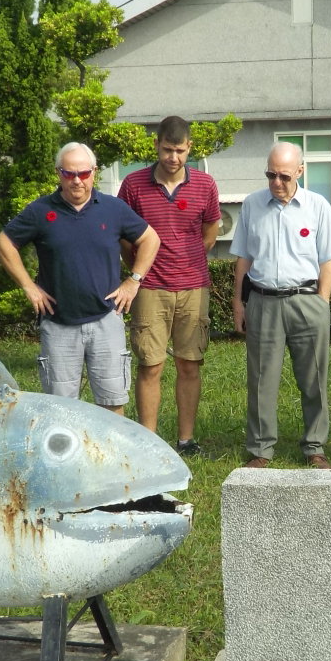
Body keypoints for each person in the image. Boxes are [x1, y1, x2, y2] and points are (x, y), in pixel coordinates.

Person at [0, 142, 159, 414]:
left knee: (112, 403)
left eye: (83, 173)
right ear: (58, 173)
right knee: (61, 409)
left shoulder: (113, 208)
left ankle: (108, 456)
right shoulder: (39, 211)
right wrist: (28, 286)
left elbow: (150, 239)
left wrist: (134, 280)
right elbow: (3, 244)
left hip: (106, 319)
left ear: (94, 172)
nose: (77, 181)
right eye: (69, 174)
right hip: (59, 324)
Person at [232, 142, 331, 468]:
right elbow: (243, 258)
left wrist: (322, 303)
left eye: (283, 175)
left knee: (314, 379)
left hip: (306, 302)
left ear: (300, 171)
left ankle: (314, 446)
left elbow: (328, 260)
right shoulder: (253, 205)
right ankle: (260, 449)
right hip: (264, 301)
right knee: (260, 380)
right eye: (270, 175)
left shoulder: (317, 206)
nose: (276, 182)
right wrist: (239, 303)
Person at [117, 116, 221, 454]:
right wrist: (140, 268)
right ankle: (148, 442)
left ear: (190, 147)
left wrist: (186, 259)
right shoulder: (133, 184)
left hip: (193, 286)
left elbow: (209, 233)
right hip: (149, 287)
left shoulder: (206, 185)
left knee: (189, 364)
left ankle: (186, 439)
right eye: (166, 150)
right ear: (156, 146)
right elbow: (123, 234)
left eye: (179, 151)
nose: (173, 158)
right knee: (150, 364)